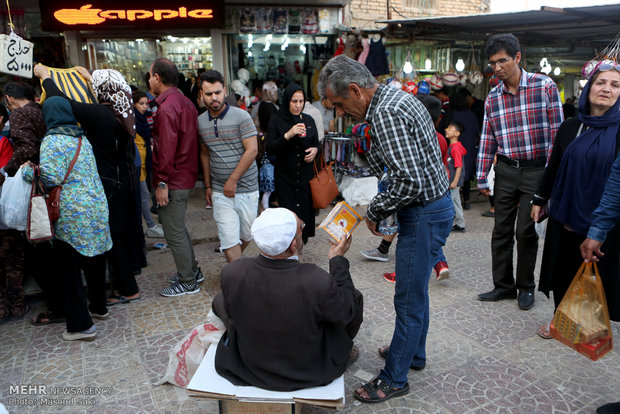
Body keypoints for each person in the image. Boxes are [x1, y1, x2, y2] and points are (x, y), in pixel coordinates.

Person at [319, 55, 452, 403]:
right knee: (416, 291)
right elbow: (403, 167)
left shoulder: (387, 112)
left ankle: (394, 377)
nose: (341, 112)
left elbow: (408, 180)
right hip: (431, 207)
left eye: (339, 104)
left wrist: (374, 212)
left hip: (424, 212)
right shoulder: (393, 99)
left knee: (407, 297)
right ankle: (414, 354)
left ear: (354, 90)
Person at [213, 208, 363, 391]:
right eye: (301, 227)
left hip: (249, 369)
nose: (302, 227)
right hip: (309, 372)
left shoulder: (233, 272)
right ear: (294, 244)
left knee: (221, 301)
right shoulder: (317, 280)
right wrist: (337, 260)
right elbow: (350, 313)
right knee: (352, 299)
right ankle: (341, 352)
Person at [34, 64, 142, 307]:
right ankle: (126, 284)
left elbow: (62, 101)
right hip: (124, 181)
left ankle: (128, 288)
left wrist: (46, 77)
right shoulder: (123, 111)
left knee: (112, 237)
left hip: (109, 184)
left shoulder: (100, 114)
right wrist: (89, 80)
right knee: (120, 234)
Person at [475, 33, 564, 311]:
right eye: (493, 63)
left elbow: (557, 135)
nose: (497, 67)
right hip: (505, 170)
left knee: (525, 231)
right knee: (501, 229)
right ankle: (503, 286)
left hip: (537, 170)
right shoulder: (492, 97)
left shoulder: (544, 86)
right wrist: (481, 175)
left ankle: (526, 287)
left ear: (517, 58)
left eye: (502, 61)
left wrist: (551, 179)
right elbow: (488, 138)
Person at [532, 63, 620, 338]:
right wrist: (540, 198)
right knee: (563, 269)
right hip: (567, 213)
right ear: (588, 87)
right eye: (600, 82)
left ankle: (592, 322)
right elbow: (554, 165)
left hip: (607, 219)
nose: (606, 89)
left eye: (615, 85)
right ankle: (562, 320)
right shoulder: (571, 125)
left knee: (600, 273)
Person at [22, 97, 112, 341]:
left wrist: (29, 170)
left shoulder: (52, 140)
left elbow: (50, 176)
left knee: (69, 270)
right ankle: (99, 308)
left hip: (71, 212)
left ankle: (81, 326)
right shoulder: (82, 137)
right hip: (96, 205)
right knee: (94, 259)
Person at [362, 94, 450, 283]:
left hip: (418, 198)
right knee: (428, 242)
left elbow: (410, 179)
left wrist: (375, 209)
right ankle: (440, 264)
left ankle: (401, 270)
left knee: (412, 240)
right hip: (439, 192)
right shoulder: (440, 138)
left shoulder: (408, 133)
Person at [148, 58, 204, 297]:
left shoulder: (168, 107)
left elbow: (167, 150)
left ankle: (188, 280)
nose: (149, 80)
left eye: (150, 76)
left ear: (158, 78)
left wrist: (162, 183)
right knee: (178, 229)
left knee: (174, 232)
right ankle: (192, 271)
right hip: (185, 175)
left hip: (173, 179)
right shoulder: (185, 102)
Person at [198, 70, 259, 263]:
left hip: (247, 188)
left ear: (224, 91)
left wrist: (233, 180)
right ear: (201, 95)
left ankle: (237, 273)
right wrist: (208, 185)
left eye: (217, 92)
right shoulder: (200, 121)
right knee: (228, 238)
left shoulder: (242, 116)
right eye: (208, 94)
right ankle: (239, 282)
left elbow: (252, 150)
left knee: (247, 235)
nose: (214, 97)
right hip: (219, 191)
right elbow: (205, 153)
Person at [266, 84, 319, 244]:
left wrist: (315, 151)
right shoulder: (276, 120)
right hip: (285, 177)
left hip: (305, 178)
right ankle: (289, 251)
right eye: (294, 101)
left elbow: (317, 143)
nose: (298, 105)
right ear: (287, 101)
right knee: (289, 216)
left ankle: (299, 248)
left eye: (301, 101)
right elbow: (270, 148)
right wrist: (288, 135)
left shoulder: (308, 120)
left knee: (304, 214)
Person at [440, 91, 480, 210]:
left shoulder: (450, 114)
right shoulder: (471, 114)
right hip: (468, 147)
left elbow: (442, 129)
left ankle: (452, 202)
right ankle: (466, 200)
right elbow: (477, 132)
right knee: (465, 171)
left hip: (453, 147)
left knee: (453, 170)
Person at [132, 90, 164, 239]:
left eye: (146, 103)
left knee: (144, 195)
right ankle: (150, 226)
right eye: (141, 103)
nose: (145, 107)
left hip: (143, 164)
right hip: (138, 166)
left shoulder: (142, 119)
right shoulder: (132, 121)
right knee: (144, 195)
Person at [446, 121, 467, 232]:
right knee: (456, 202)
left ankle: (447, 223)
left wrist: (455, 181)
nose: (447, 130)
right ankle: (460, 223)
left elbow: (458, 166)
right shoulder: (453, 147)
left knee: (449, 202)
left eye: (450, 128)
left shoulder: (455, 148)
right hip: (454, 180)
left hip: (454, 180)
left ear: (457, 133)